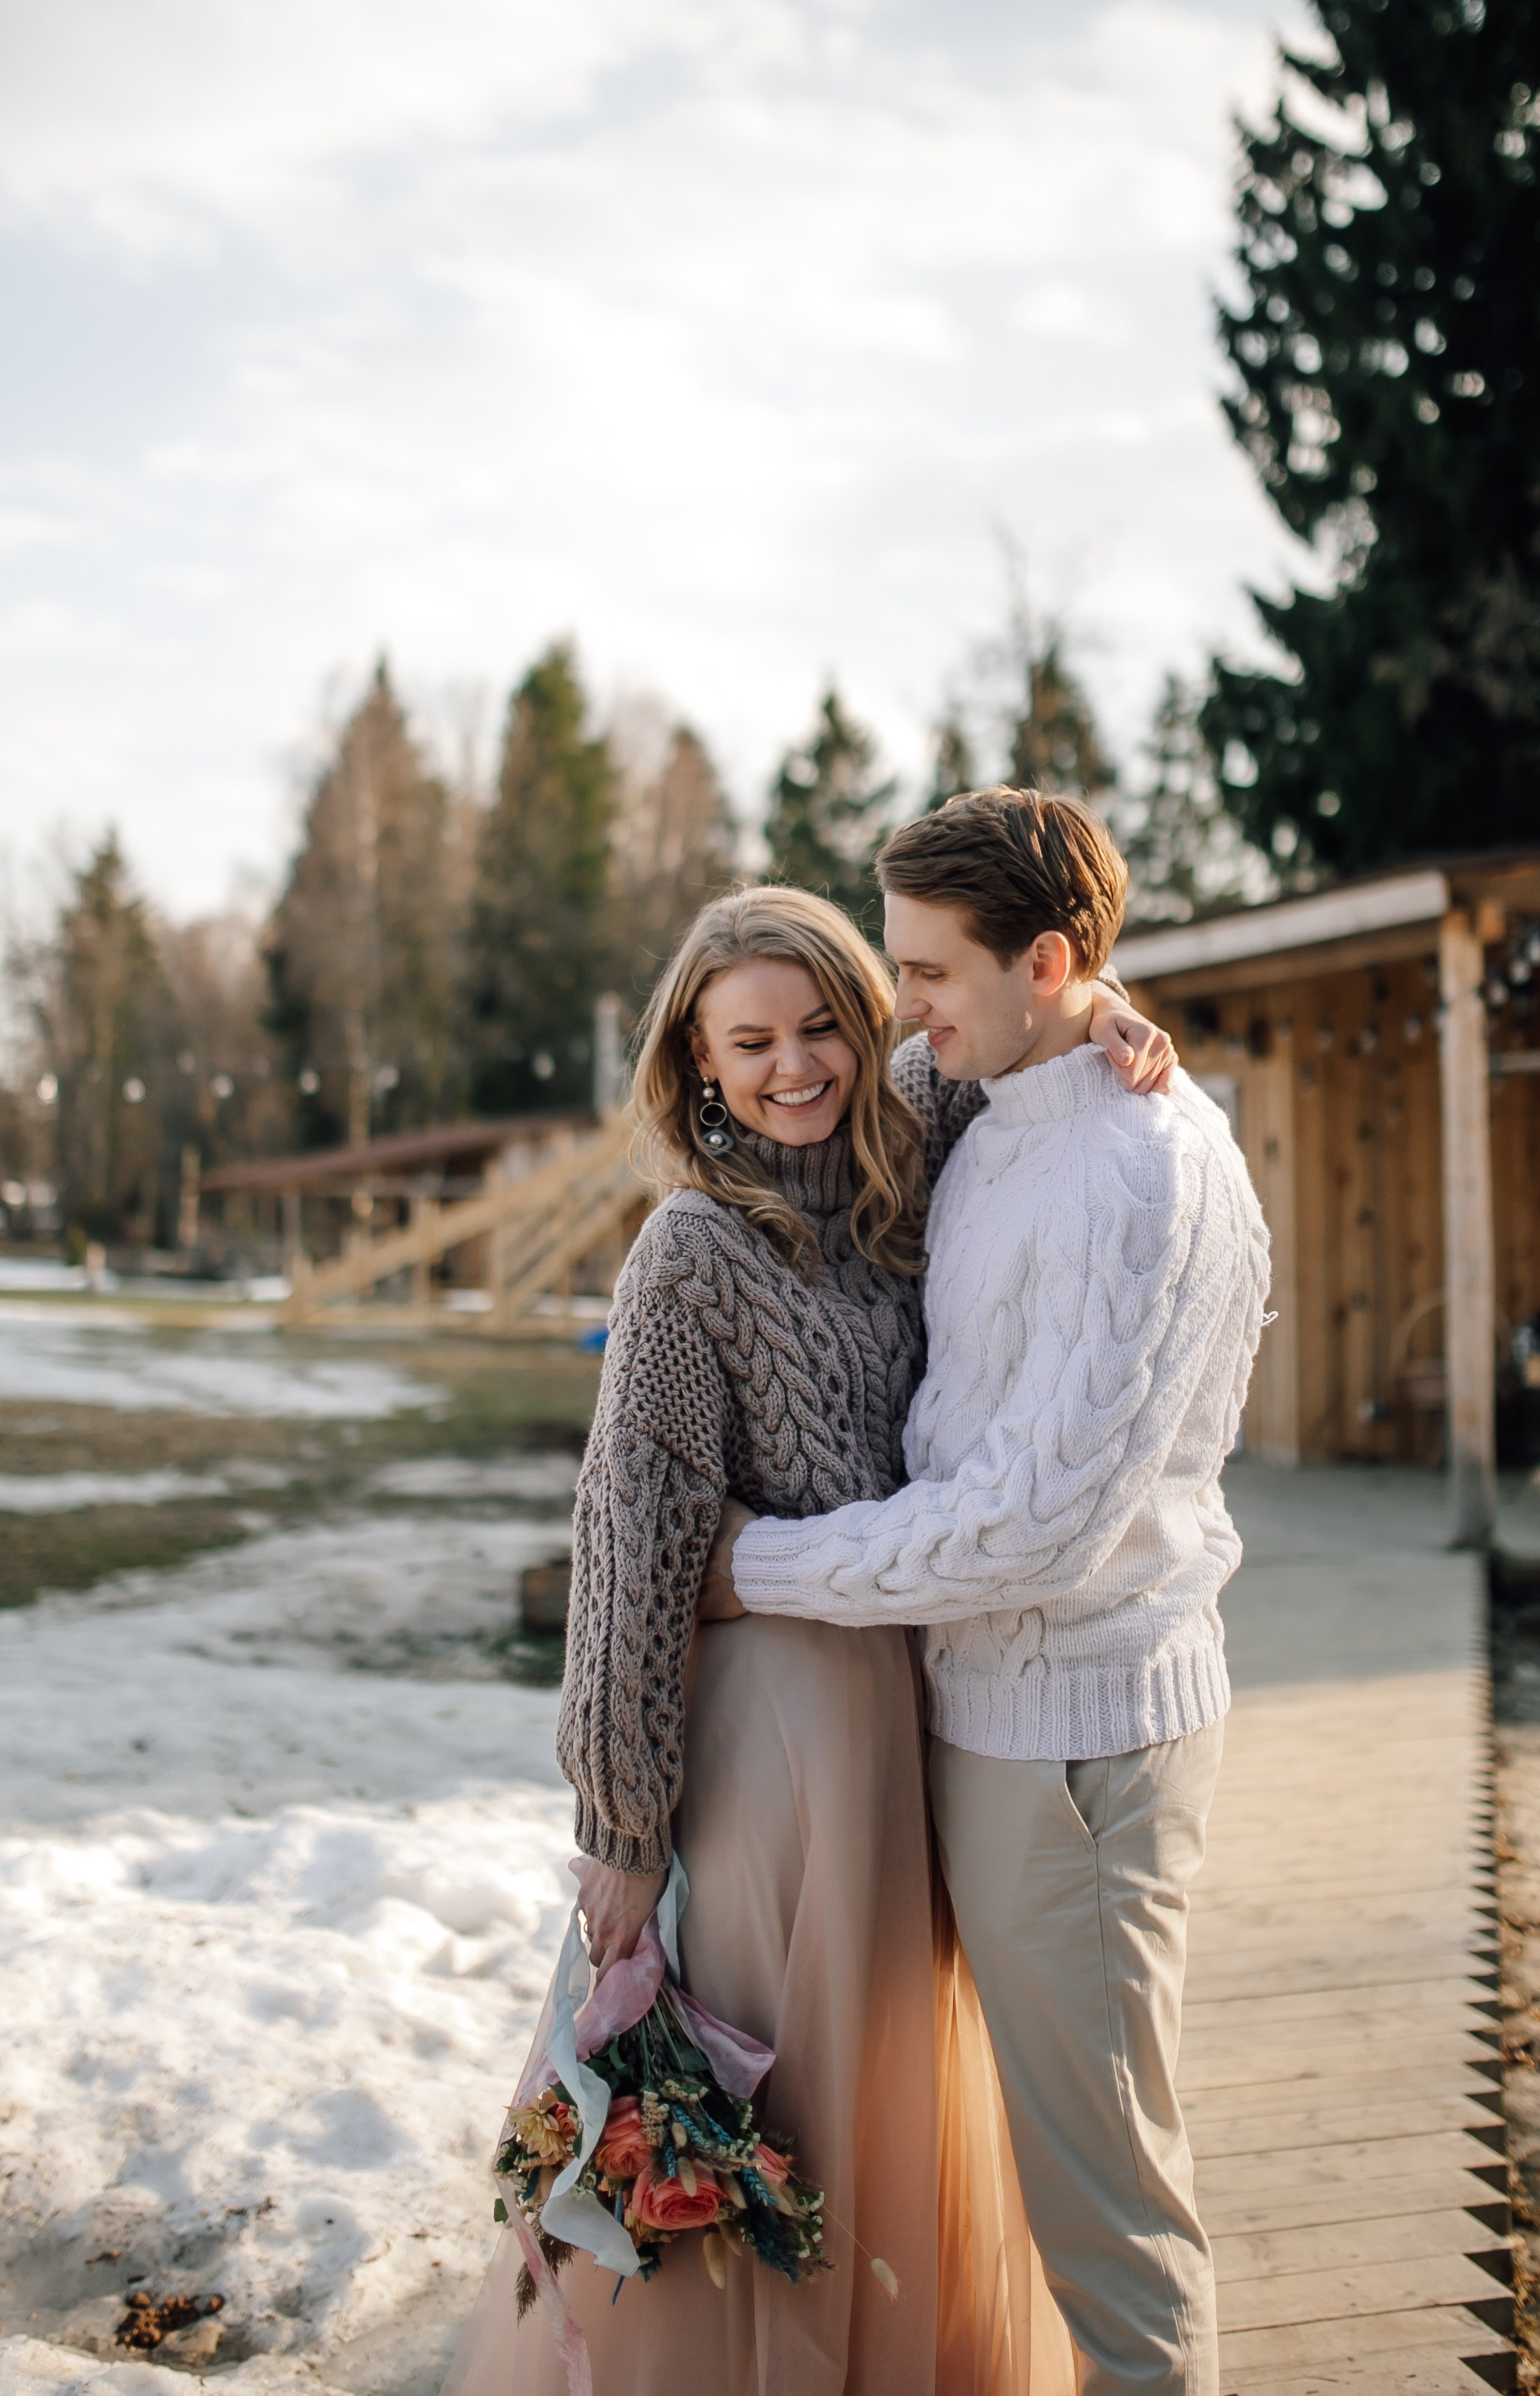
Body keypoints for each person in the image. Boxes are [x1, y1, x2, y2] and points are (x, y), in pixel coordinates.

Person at [446, 881, 1173, 2396]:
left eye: (822, 1024)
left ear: (865, 1019)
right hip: (765, 1741)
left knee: (886, 2094)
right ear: (700, 1066)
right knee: (767, 2101)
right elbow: (630, 1545)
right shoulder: (690, 1254)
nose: (796, 1066)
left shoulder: (913, 1168)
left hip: (909, 1710)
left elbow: (1008, 1022)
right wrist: (623, 1825)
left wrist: (1110, 1015)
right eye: (752, 1042)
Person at [700, 793, 1270, 2396]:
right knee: (1045, 2170)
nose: (903, 1011)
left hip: (1077, 1742)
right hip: (997, 1724)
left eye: (929, 973)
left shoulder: (1136, 1172)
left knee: (1108, 2211)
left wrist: (754, 1565)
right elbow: (803, 1082)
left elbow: (1028, 1527)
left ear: (1044, 956)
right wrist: (1100, 1017)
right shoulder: (1000, 1080)